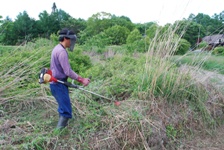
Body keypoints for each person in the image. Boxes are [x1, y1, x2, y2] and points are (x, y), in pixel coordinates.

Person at [49, 28, 90, 129]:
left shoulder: (56, 48)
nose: (72, 42)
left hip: (57, 83)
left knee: (63, 108)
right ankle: (58, 134)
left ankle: (62, 131)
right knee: (66, 111)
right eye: (71, 39)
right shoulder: (62, 52)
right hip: (58, 84)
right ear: (65, 39)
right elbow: (68, 71)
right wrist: (82, 79)